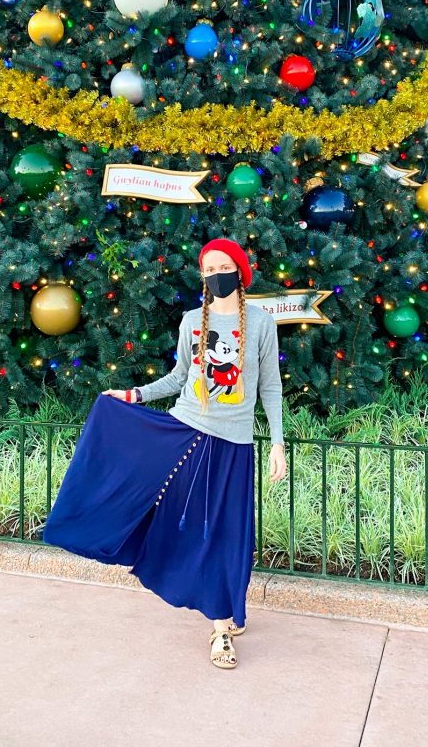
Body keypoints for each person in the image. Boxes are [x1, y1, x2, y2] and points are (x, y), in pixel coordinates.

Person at [42, 237, 287, 671]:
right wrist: (134, 394)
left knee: (231, 534)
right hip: (185, 433)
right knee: (197, 529)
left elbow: (270, 387)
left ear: (241, 271)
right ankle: (219, 629)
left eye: (223, 267)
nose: (215, 275)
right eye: (208, 269)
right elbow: (178, 376)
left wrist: (277, 444)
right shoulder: (193, 320)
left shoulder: (262, 323)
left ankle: (228, 604)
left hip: (233, 446)